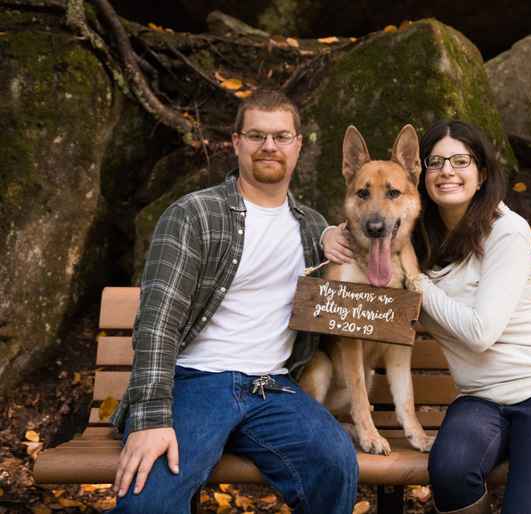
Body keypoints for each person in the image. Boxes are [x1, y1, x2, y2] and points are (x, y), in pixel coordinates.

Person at [110, 90, 358, 514]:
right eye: (257, 135)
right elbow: (157, 322)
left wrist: (333, 235)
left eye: (281, 136)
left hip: (273, 388)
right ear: (237, 142)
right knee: (146, 505)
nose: (269, 146)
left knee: (335, 465)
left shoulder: (312, 227)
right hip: (196, 383)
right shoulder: (193, 215)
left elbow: (367, 281)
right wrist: (151, 418)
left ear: (298, 144)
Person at [402, 120, 531, 514]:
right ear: (421, 174)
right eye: (435, 162)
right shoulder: (417, 236)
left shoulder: (507, 231)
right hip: (481, 399)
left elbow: (480, 332)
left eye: (460, 160)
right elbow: (365, 222)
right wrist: (328, 237)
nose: (447, 172)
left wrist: (417, 282)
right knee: (451, 471)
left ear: (482, 172)